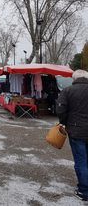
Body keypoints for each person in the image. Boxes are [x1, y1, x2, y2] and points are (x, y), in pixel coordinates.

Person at [57, 69, 88, 201]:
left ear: (73, 79)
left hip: (76, 130)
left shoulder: (68, 91)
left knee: (81, 161)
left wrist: (64, 122)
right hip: (78, 129)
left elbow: (60, 109)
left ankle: (84, 191)